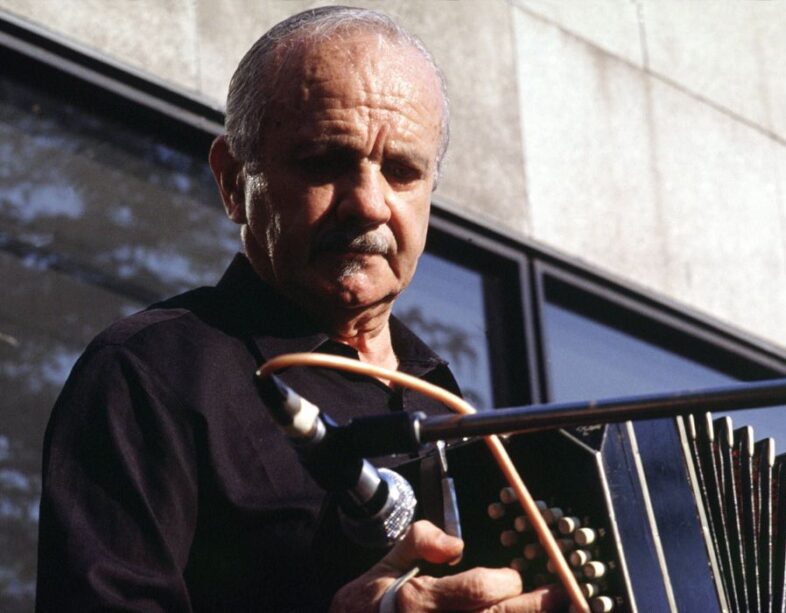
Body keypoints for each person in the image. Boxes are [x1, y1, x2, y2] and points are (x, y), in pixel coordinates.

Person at [36, 7, 561, 612]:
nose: (368, 204)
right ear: (234, 181)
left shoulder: (446, 398)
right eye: (325, 162)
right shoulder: (149, 373)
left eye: (401, 171)